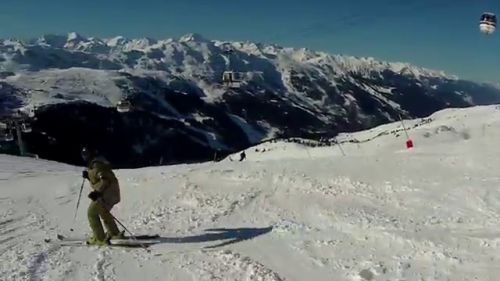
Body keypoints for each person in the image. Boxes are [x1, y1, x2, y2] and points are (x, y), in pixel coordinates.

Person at [81, 147, 124, 245]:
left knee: (91, 213)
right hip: (111, 193)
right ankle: (114, 233)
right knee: (103, 212)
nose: (84, 157)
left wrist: (97, 192)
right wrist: (88, 177)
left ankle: (100, 238)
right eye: (83, 155)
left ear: (91, 154)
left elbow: (105, 180)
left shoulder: (96, 164)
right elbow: (98, 179)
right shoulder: (96, 164)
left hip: (106, 194)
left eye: (86, 154)